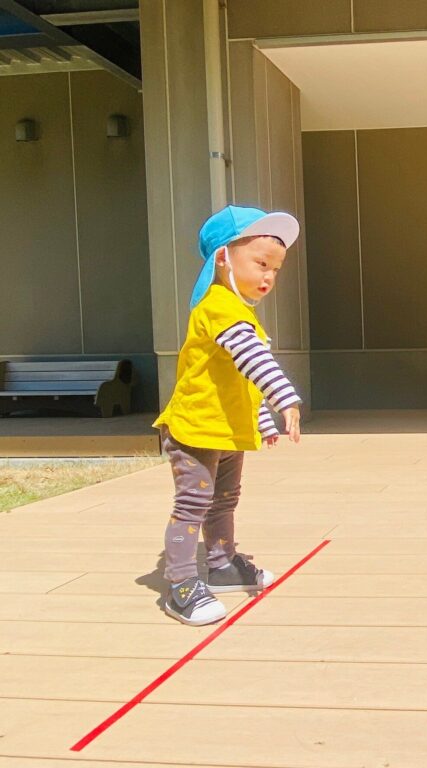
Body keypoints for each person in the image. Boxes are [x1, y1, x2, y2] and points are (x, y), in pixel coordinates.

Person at [153, 205, 303, 626]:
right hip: (197, 429)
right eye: (261, 263)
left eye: (275, 268)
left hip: (225, 430)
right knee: (193, 504)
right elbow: (252, 357)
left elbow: (239, 379)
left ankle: (221, 565)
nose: (269, 276)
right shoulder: (219, 306)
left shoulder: (239, 309)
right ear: (223, 257)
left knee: (224, 500)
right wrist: (284, 398)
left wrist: (260, 419)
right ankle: (181, 583)